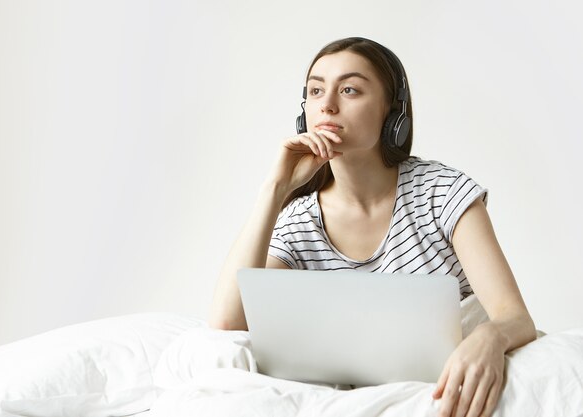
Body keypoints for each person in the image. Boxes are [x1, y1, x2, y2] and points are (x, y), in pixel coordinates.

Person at [208, 36, 537, 417]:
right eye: (316, 90)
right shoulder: (299, 220)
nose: (327, 104)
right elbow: (227, 326)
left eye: (349, 89)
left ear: (392, 113)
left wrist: (489, 339)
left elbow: (514, 316)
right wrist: (275, 189)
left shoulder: (442, 193)